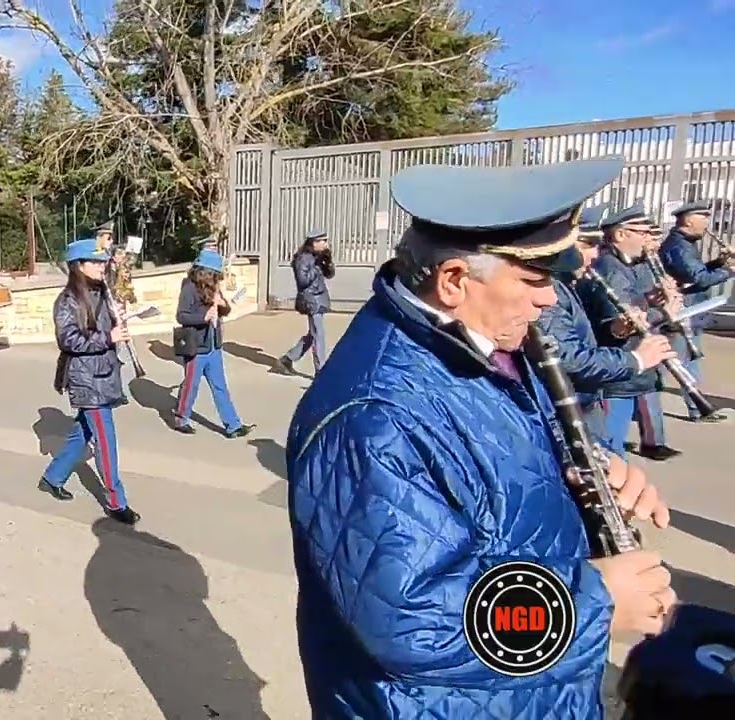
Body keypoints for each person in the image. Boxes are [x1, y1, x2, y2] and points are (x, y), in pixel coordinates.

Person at [287, 158, 674, 720]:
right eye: (535, 280)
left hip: (523, 692)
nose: (549, 300)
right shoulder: (373, 415)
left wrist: (589, 470)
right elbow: (409, 618)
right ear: (453, 281)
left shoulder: (486, 344)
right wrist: (595, 602)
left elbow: (503, 456)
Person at [536, 204, 675, 445]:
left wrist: (625, 322)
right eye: (587, 245)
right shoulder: (554, 289)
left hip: (589, 393)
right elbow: (569, 359)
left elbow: (588, 328)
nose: (595, 255)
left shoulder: (567, 283)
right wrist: (637, 359)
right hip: (578, 399)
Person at [37, 238, 140, 526]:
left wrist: (120, 324)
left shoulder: (102, 292)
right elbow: (68, 339)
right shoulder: (68, 300)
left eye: (101, 261)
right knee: (105, 441)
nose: (101, 266)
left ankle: (52, 477)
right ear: (78, 266)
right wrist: (108, 337)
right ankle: (117, 501)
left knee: (82, 432)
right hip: (85, 377)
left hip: (104, 372)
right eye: (94, 262)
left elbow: (107, 327)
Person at [582, 203, 681, 460]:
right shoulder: (610, 268)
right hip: (618, 372)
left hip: (632, 366)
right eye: (642, 232)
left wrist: (654, 298)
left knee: (615, 443)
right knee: (609, 450)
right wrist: (664, 312)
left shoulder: (630, 264)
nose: (648, 238)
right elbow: (616, 323)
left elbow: (634, 302)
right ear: (620, 234)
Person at [658, 200, 733, 423]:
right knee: (677, 362)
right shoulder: (679, 247)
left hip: (690, 310)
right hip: (683, 311)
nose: (707, 224)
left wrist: (719, 262)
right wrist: (729, 270)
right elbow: (699, 279)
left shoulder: (686, 244)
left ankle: (698, 408)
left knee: (683, 360)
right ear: (689, 220)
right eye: (704, 218)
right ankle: (695, 407)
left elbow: (697, 273)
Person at [172, 249, 255, 438]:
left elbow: (224, 311)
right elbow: (181, 315)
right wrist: (203, 316)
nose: (218, 278)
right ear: (205, 273)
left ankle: (233, 425)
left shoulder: (214, 287)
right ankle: (181, 418)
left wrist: (222, 304)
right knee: (190, 386)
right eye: (215, 274)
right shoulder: (189, 288)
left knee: (220, 386)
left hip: (214, 346)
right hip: (196, 348)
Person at [277, 229, 334, 376]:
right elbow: (303, 281)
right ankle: (321, 371)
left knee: (313, 335)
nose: (326, 244)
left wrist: (327, 262)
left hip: (319, 298)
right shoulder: (303, 258)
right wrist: (316, 265)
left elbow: (329, 275)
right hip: (310, 300)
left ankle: (288, 358)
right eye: (323, 241)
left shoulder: (317, 257)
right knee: (319, 334)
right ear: (314, 242)